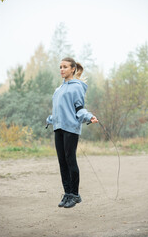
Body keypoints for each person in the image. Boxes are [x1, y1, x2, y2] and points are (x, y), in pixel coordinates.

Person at [46, 57, 98, 208]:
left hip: (71, 129)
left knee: (70, 160)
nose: (61, 69)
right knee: (62, 162)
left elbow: (79, 108)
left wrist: (89, 116)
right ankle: (67, 193)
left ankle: (75, 195)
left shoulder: (77, 87)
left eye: (65, 67)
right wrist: (50, 119)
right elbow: (58, 111)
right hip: (58, 128)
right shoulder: (58, 90)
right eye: (60, 67)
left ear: (73, 69)